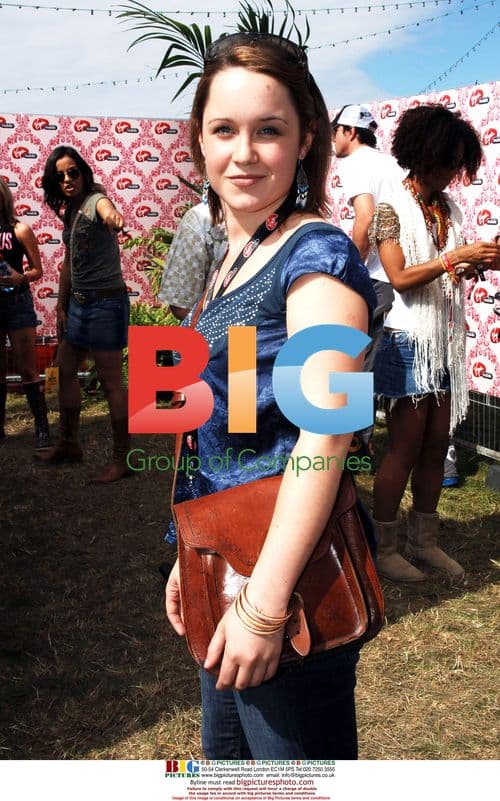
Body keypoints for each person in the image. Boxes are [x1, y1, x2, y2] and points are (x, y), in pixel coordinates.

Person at [165, 32, 376, 759]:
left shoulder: (317, 258)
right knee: (227, 773)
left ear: (306, 137)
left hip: (289, 576)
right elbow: (227, 429)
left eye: (269, 130)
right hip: (225, 557)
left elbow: (327, 438)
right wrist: (190, 553)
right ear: (199, 139)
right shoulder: (233, 253)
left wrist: (264, 600)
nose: (244, 152)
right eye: (224, 129)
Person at [369, 104, 500, 583]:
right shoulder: (389, 210)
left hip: (445, 343)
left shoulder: (450, 208)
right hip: (408, 342)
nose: (451, 173)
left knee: (436, 443)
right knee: (404, 446)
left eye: (457, 164)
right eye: (446, 162)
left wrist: (480, 260)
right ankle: (385, 547)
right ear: (422, 153)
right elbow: (401, 278)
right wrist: (455, 259)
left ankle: (423, 542)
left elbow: (450, 266)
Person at [37, 146, 130, 483]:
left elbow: (108, 210)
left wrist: (113, 218)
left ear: (83, 173)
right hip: (78, 305)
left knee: (110, 382)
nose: (67, 179)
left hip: (106, 304)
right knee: (64, 371)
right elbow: (67, 265)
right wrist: (61, 306)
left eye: (72, 172)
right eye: (60, 175)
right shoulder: (71, 210)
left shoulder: (94, 201)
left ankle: (122, 459)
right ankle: (69, 444)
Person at [331, 104, 405, 458]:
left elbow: (365, 218)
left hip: (377, 275)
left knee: (356, 361)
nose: (333, 137)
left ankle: (354, 445)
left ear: (350, 132)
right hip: (398, 273)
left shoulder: (357, 164)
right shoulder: (388, 162)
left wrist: (352, 271)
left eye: (336, 129)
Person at [0, 178, 50, 449]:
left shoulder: (20, 229)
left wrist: (20, 277)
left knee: (27, 368)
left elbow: (37, 270)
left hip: (17, 303)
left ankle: (42, 428)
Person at [158, 202, 227, 319]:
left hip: (222, 326)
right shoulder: (202, 217)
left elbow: (181, 305)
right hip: (245, 328)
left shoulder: (201, 217)